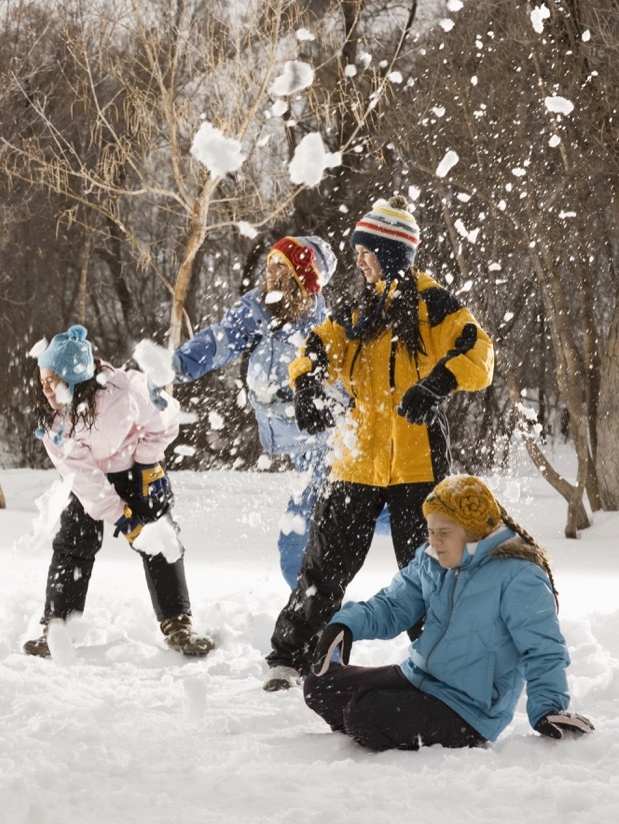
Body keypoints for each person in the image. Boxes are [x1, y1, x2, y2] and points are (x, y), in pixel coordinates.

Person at [264, 195, 495, 691]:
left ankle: (444, 664)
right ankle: (291, 654)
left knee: (431, 571)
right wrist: (305, 383)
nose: (360, 261)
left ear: (391, 252)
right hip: (356, 459)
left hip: (418, 465)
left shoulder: (434, 305)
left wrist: (436, 384)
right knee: (323, 564)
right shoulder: (359, 310)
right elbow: (315, 347)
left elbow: (479, 349)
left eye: (367, 251)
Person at [302, 475, 594, 751]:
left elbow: (542, 649)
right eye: (430, 531)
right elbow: (393, 605)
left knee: (363, 713)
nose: (435, 541)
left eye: (444, 532)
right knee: (318, 684)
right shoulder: (431, 561)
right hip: (417, 678)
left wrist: (549, 708)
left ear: (474, 531)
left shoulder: (518, 576)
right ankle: (384, 712)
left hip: (467, 710)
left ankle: (380, 715)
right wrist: (345, 625)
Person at [23, 324, 214, 658]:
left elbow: (167, 420)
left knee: (160, 537)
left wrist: (145, 462)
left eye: (52, 381)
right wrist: (123, 518)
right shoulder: (52, 423)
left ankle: (178, 623)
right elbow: (82, 477)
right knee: (73, 543)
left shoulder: (127, 389)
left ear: (74, 377)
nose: (46, 391)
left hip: (139, 469)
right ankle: (58, 629)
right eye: (42, 382)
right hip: (94, 479)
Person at [174, 235, 339, 585]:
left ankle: (310, 616)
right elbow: (221, 340)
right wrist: (177, 366)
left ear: (302, 277)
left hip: (324, 443)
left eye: (281, 265)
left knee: (297, 540)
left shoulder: (322, 329)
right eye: (269, 263)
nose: (270, 272)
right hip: (296, 441)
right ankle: (425, 519)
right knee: (359, 513)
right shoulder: (259, 309)